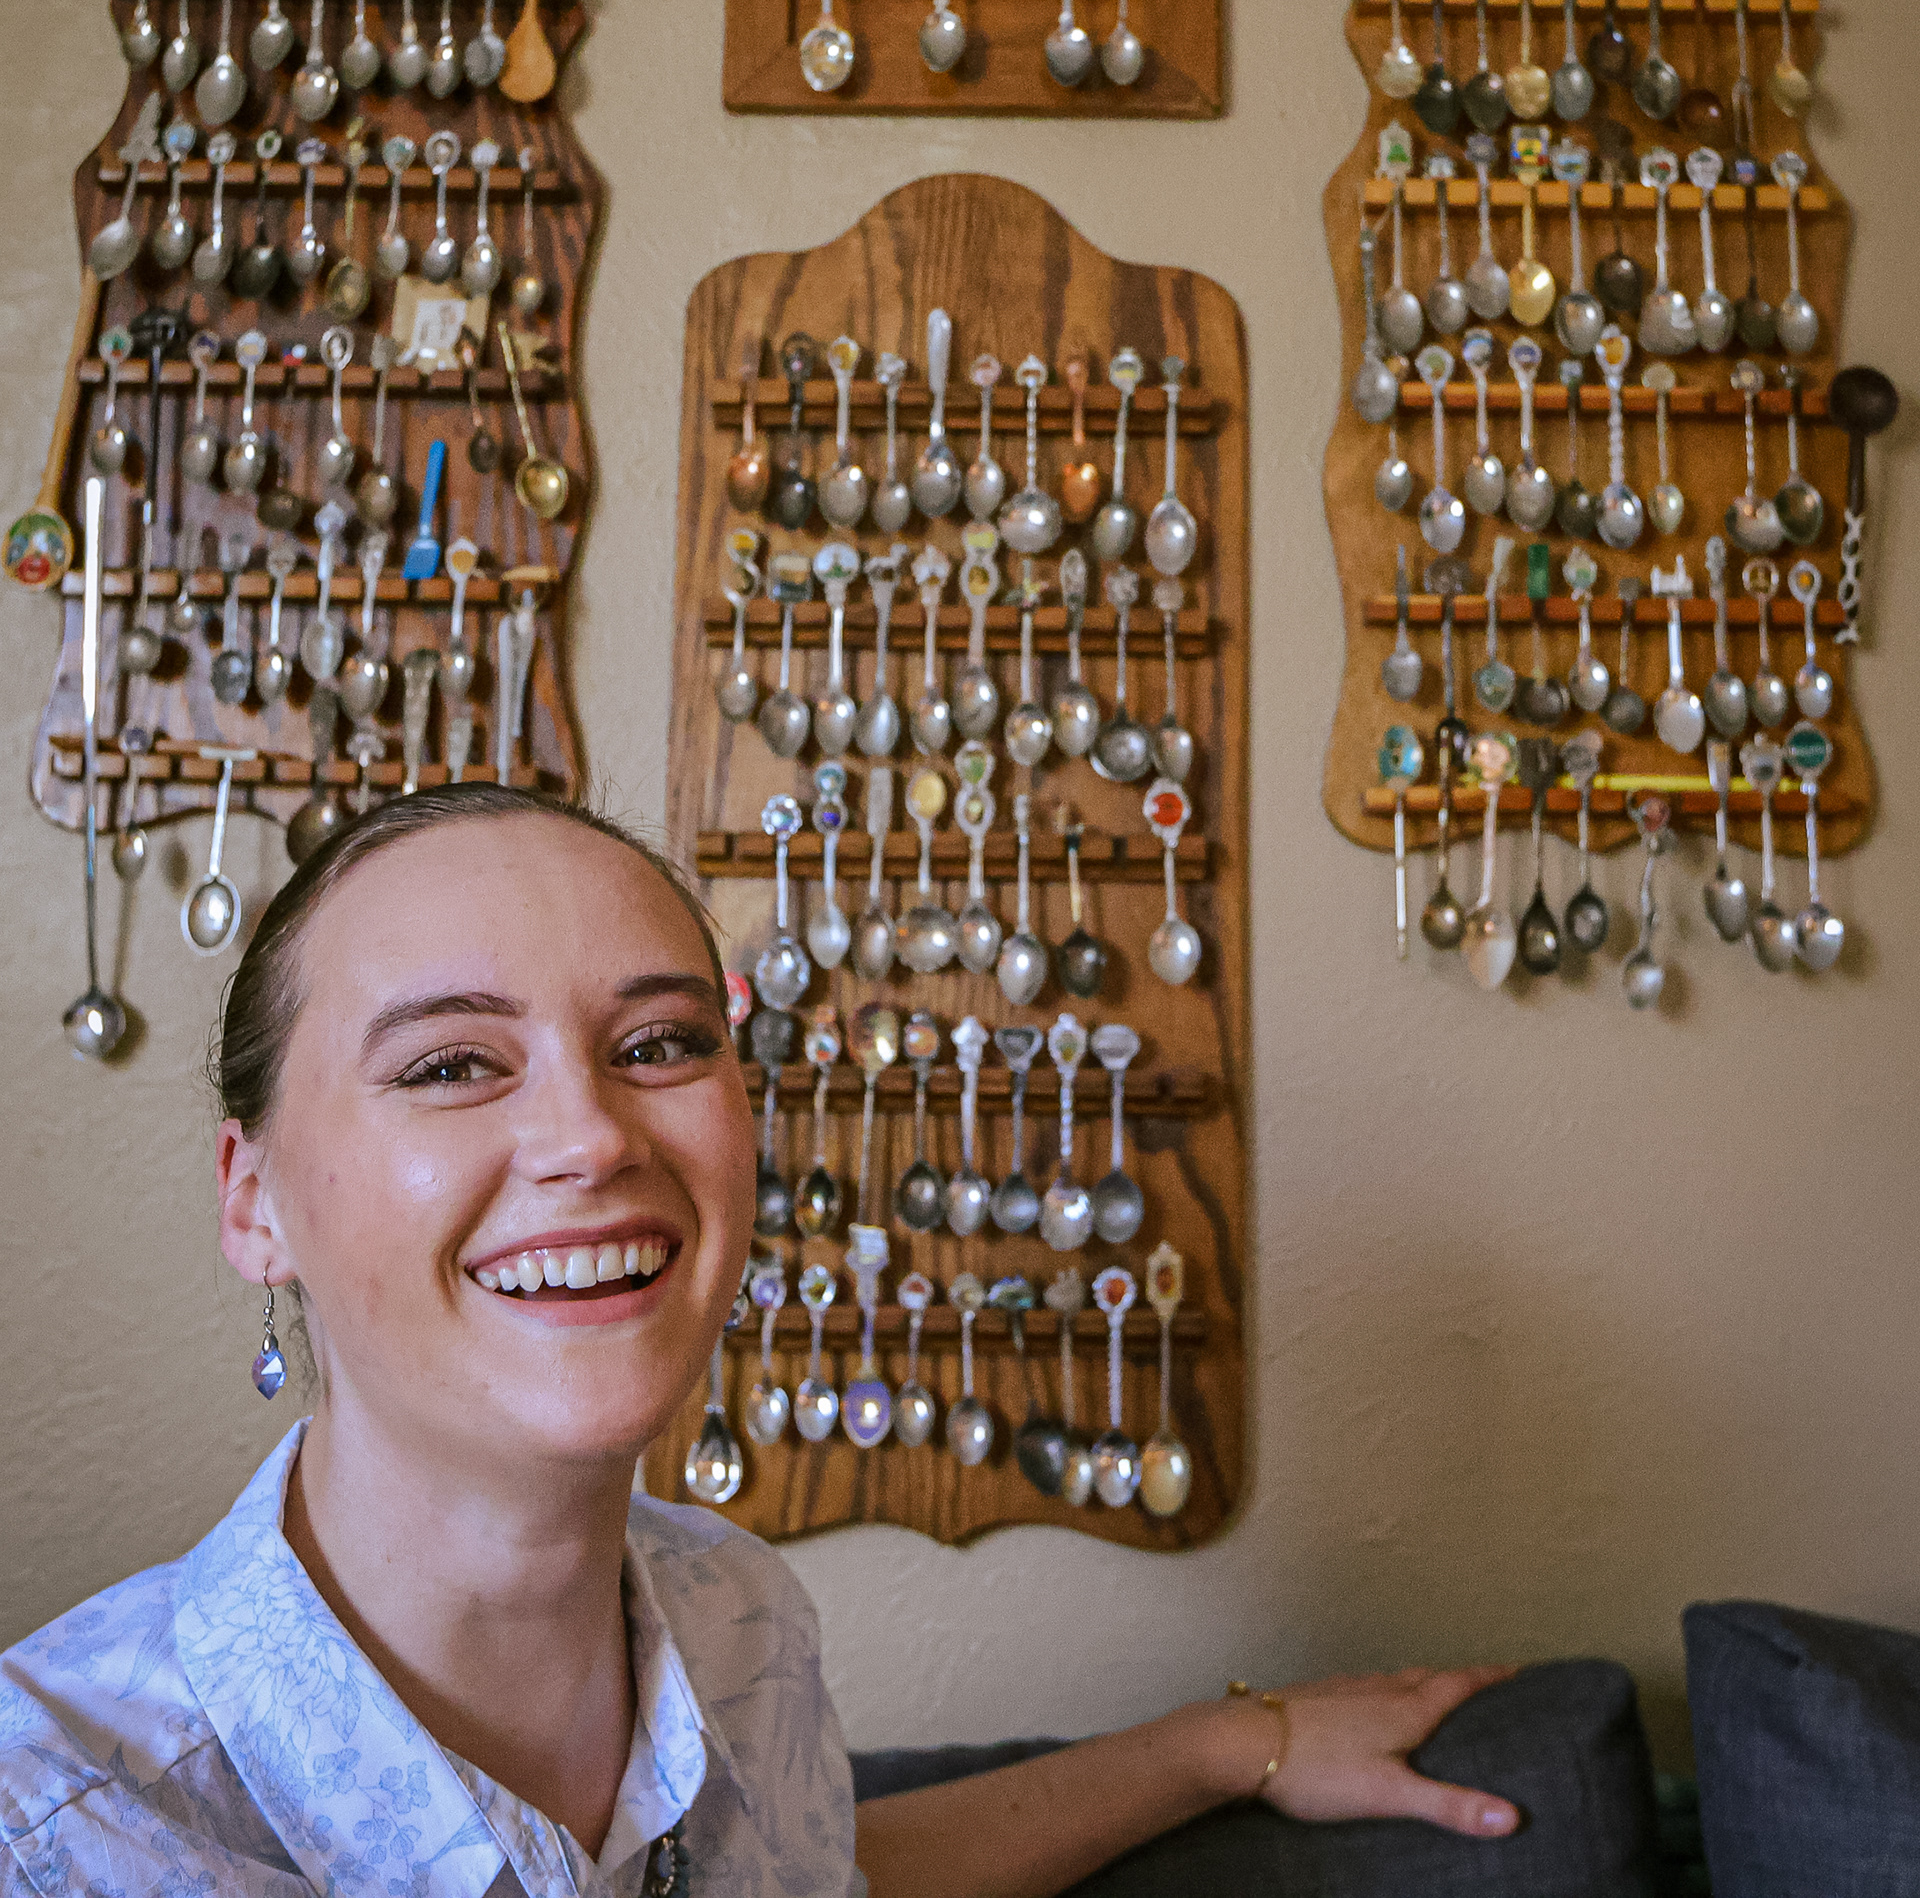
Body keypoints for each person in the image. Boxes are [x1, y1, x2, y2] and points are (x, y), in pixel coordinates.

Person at [0, 787, 1521, 1896]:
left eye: (658, 1044)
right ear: (254, 1201)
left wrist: (1217, 1746)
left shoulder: (738, 1624)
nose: (590, 1134)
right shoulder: (56, 1830)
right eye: (453, 1063)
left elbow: (823, 1877)